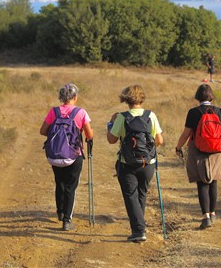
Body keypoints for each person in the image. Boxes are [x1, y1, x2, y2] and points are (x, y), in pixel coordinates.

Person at [107, 85, 164, 242]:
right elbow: (159, 141)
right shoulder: (150, 115)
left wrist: (110, 124)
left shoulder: (122, 117)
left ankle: (139, 230)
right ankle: (139, 226)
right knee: (141, 194)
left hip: (127, 163)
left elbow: (111, 140)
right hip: (148, 163)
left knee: (130, 196)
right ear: (142, 98)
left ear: (126, 98)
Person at [175, 84, 221, 230]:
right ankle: (212, 213)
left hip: (197, 149)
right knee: (213, 182)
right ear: (211, 96)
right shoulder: (220, 111)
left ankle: (205, 217)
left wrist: (178, 147)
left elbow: (186, 133)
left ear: (198, 96)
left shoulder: (193, 112)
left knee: (202, 183)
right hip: (217, 150)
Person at [40, 84, 94, 231]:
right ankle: (67, 221)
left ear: (61, 97)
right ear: (75, 97)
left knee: (60, 182)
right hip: (74, 155)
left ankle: (60, 212)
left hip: (55, 155)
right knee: (71, 186)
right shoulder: (80, 112)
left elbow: (43, 131)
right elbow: (89, 135)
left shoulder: (54, 111)